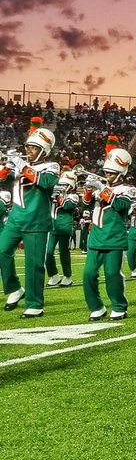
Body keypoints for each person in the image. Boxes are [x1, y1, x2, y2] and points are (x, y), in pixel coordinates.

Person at [0, 120, 60, 318]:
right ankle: (15, 288)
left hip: (37, 220)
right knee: (2, 251)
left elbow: (45, 182)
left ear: (44, 150)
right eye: (28, 146)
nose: (30, 150)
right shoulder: (21, 164)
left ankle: (35, 303)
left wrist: (23, 166)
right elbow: (1, 179)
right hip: (16, 217)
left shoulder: (52, 166)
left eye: (34, 148)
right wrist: (6, 168)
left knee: (33, 263)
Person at [81, 145, 136, 321]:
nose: (108, 176)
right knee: (88, 274)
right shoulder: (100, 187)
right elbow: (85, 205)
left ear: (121, 173)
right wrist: (89, 190)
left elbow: (121, 205)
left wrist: (102, 188)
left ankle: (119, 306)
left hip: (114, 238)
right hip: (96, 237)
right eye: (107, 172)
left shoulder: (128, 189)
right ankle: (96, 307)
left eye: (112, 173)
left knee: (113, 274)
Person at [46, 169, 79, 288]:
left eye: (65, 184)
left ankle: (67, 276)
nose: (62, 186)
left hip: (64, 227)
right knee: (47, 252)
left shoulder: (73, 196)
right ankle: (54, 275)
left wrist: (59, 197)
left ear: (71, 185)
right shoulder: (53, 193)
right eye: (61, 184)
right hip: (51, 226)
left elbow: (67, 205)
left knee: (63, 253)